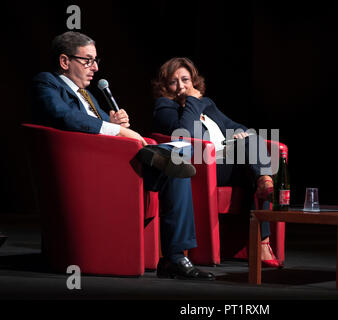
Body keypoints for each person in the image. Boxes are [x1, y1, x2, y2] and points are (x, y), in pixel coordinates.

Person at [31, 32, 214, 281]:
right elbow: (63, 116)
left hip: (115, 163)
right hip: (89, 169)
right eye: (88, 60)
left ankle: (176, 257)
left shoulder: (90, 95)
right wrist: (117, 129)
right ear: (65, 61)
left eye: (95, 60)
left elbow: (100, 124)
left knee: (178, 160)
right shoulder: (48, 82)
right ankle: (157, 157)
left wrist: (113, 122)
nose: (95, 68)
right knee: (172, 160)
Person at [152, 57, 280, 267]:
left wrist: (241, 134)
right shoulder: (165, 107)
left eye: (185, 79)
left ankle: (264, 183)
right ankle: (262, 243)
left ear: (194, 81)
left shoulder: (206, 104)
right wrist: (192, 101)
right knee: (252, 164)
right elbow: (184, 133)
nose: (181, 86)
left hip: (224, 161)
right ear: (165, 86)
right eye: (174, 82)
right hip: (201, 165)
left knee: (252, 139)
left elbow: (233, 125)